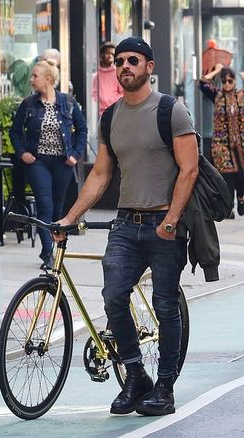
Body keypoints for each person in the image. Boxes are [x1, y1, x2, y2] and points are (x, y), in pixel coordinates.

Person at [55, 37, 199, 416]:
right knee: (113, 296)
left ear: (150, 66)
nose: (124, 66)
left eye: (133, 60)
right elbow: (100, 175)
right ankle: (137, 376)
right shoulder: (110, 116)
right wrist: (70, 218)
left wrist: (170, 222)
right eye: (119, 61)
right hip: (126, 223)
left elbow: (190, 169)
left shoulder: (172, 111)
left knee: (165, 305)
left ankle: (164, 387)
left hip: (165, 224)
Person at [10, 58, 87, 269]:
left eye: (35, 76)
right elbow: (15, 131)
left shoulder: (68, 103)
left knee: (58, 210)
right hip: (38, 162)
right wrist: (22, 152)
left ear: (48, 79)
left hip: (62, 163)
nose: (32, 80)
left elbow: (82, 130)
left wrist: (75, 154)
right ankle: (47, 254)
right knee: (45, 205)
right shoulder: (28, 104)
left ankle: (57, 250)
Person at [198, 63, 244, 218]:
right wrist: (216, 71)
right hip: (223, 146)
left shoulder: (241, 96)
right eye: (224, 81)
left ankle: (242, 200)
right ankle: (228, 208)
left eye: (230, 81)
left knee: (241, 176)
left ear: (235, 82)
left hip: (241, 146)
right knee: (227, 179)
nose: (227, 84)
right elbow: (202, 83)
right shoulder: (217, 96)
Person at [92, 41, 123, 115]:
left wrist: (112, 103)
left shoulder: (118, 73)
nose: (110, 56)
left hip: (115, 111)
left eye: (112, 54)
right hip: (98, 113)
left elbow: (122, 93)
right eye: (108, 53)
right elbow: (93, 94)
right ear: (102, 55)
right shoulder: (96, 74)